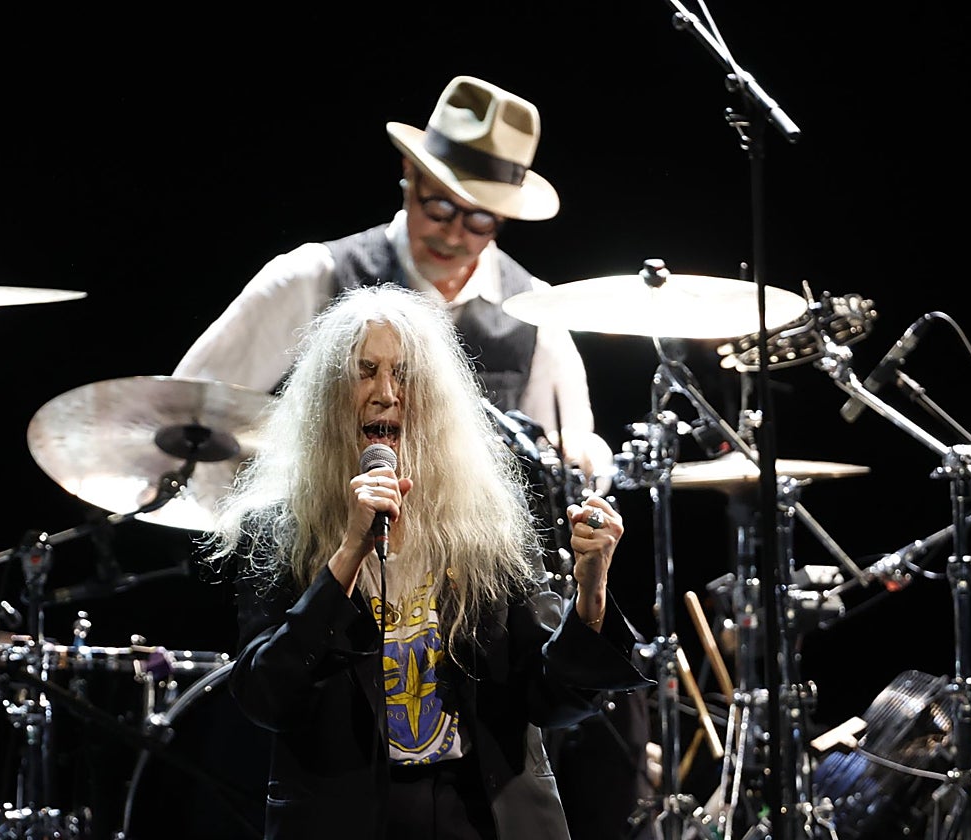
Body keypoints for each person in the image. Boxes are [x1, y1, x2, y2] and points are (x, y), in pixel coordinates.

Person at [202, 283, 651, 839]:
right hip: (345, 820)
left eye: (405, 373)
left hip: (482, 814)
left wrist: (591, 590)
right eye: (364, 371)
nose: (385, 393)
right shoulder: (276, 529)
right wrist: (347, 554)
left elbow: (554, 699)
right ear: (328, 396)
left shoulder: (486, 521)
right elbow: (267, 698)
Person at [172, 73, 612, 485]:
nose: (454, 234)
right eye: (439, 207)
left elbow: (563, 458)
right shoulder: (314, 276)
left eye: (479, 219)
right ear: (409, 174)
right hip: (324, 550)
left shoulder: (534, 309)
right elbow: (189, 415)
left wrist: (585, 453)